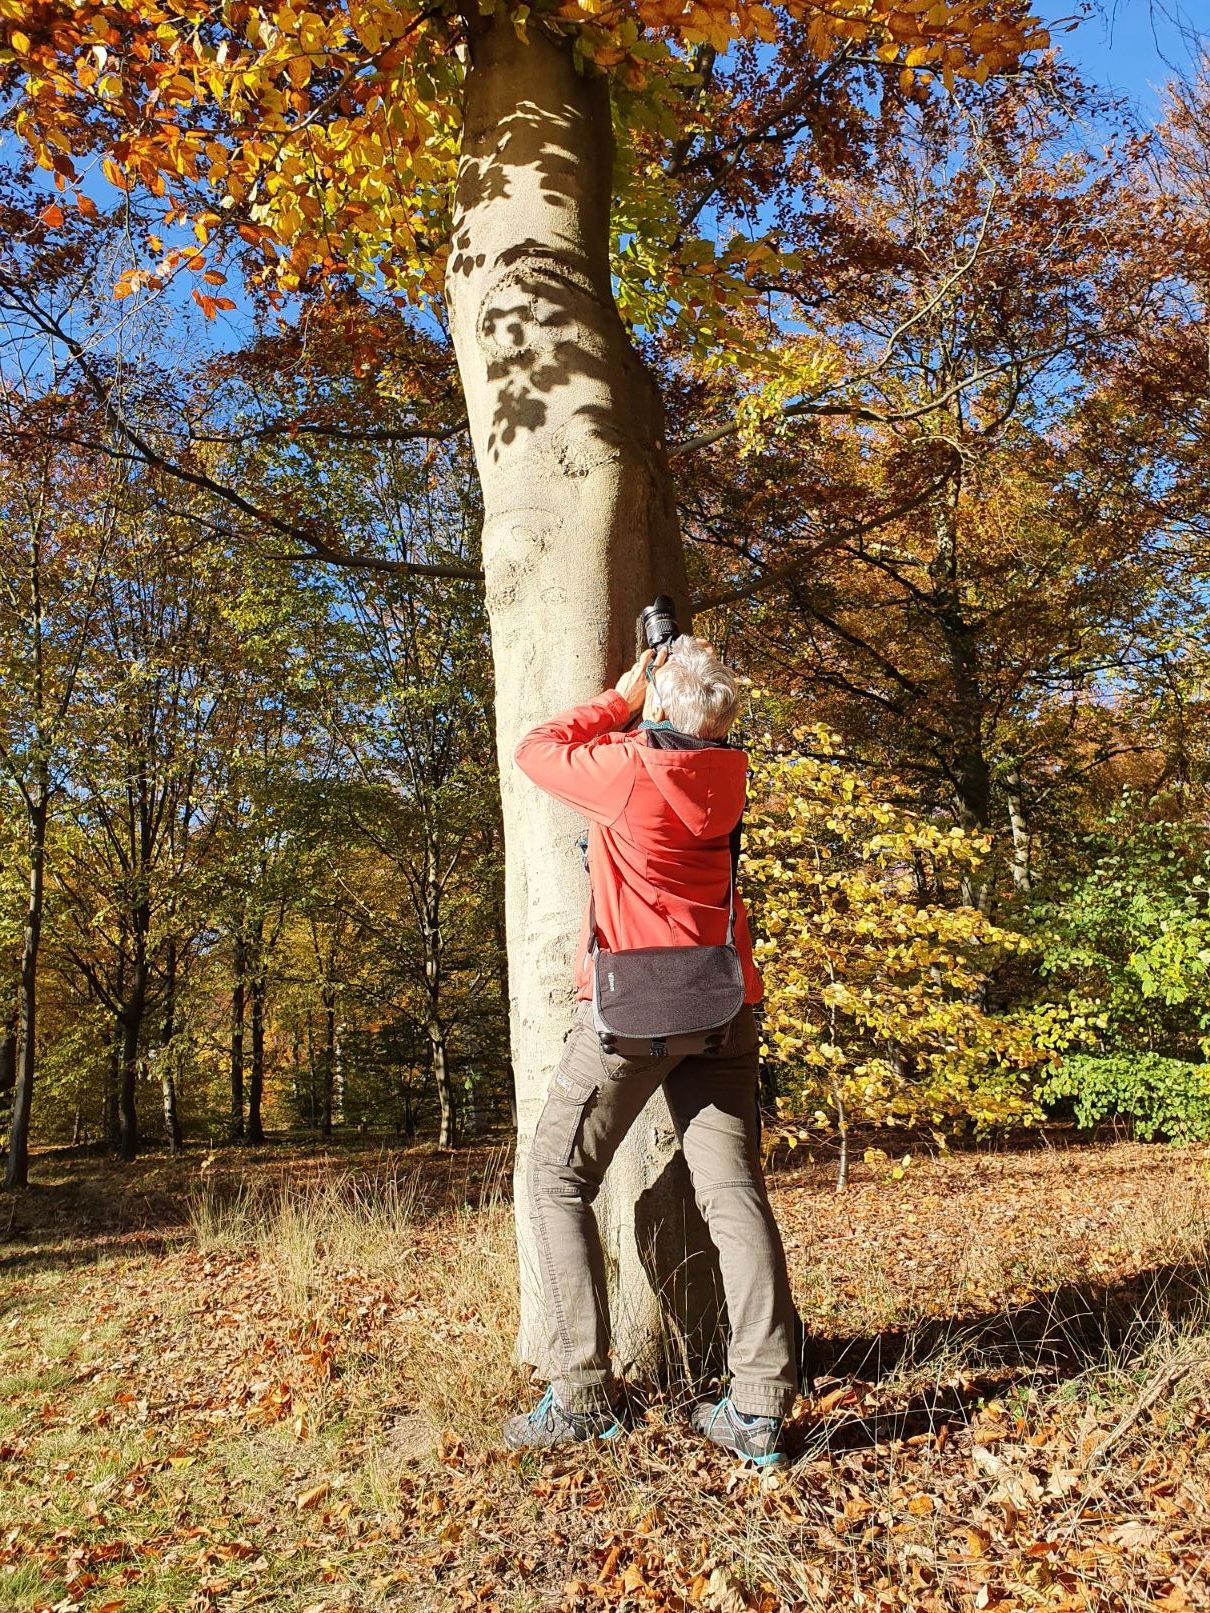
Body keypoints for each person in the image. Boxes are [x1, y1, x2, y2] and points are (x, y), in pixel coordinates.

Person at [502, 635, 798, 1467]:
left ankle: (582, 1393)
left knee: (556, 1176)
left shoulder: (630, 765)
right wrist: (663, 697)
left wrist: (624, 693)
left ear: (662, 708)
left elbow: (536, 749)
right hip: (725, 1004)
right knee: (735, 1193)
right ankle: (761, 1405)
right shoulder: (730, 776)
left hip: (636, 1013)